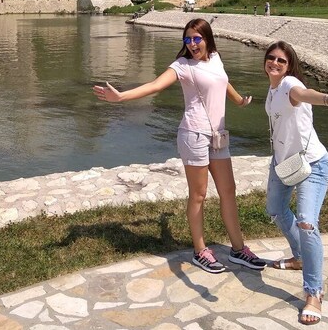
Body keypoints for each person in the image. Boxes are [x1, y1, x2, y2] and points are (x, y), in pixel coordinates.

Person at [93, 18, 264, 274]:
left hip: (218, 135)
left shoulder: (215, 58)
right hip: (193, 134)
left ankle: (238, 249)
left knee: (229, 190)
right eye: (188, 40)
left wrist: (239, 101)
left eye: (197, 39)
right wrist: (121, 97)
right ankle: (200, 251)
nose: (193, 44)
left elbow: (222, 80)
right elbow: (155, 85)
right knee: (199, 195)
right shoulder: (182, 66)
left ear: (207, 39)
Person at [263, 40, 328, 326]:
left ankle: (314, 292)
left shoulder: (290, 84)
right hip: (283, 163)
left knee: (306, 221)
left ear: (289, 66)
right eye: (271, 59)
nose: (275, 64)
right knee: (276, 210)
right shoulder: (272, 89)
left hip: (312, 164)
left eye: (282, 60)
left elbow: (306, 94)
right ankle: (300, 256)